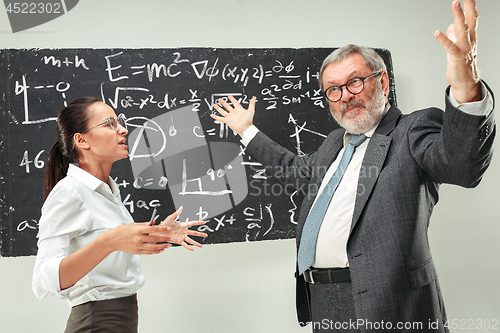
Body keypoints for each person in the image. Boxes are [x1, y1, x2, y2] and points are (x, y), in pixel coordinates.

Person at [211, 0, 495, 332]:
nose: (345, 95)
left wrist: (467, 88)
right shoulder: (334, 143)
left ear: (384, 83)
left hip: (390, 303)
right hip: (324, 299)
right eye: (334, 90)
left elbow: (461, 165)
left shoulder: (411, 131)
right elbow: (293, 169)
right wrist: (247, 130)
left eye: (355, 82)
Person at [32, 97, 208, 333]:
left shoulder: (108, 190)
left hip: (122, 319)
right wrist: (110, 241)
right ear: (81, 140)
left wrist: (158, 234)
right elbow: (43, 281)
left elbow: (112, 258)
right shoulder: (70, 192)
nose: (123, 129)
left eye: (120, 122)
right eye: (109, 124)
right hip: (96, 321)